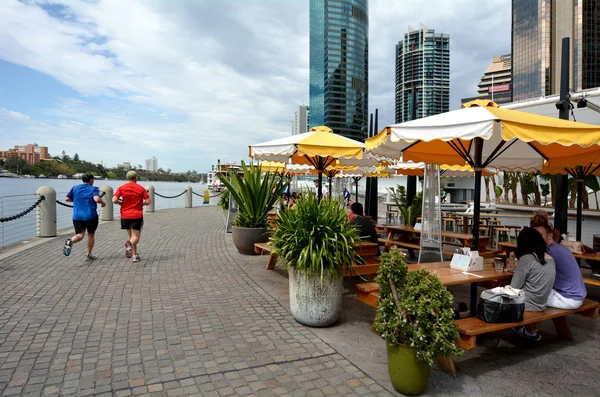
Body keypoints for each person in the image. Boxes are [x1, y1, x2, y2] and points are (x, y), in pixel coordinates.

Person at [530, 217, 587, 310]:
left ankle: (523, 323)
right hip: (577, 295)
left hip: (567, 298)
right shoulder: (562, 247)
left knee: (523, 294)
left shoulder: (549, 253)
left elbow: (536, 275)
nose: (536, 238)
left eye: (540, 235)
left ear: (550, 236)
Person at [511, 227, 556, 341]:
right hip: (541, 303)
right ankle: (531, 330)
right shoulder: (550, 258)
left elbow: (514, 287)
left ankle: (467, 316)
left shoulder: (527, 258)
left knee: (490, 294)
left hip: (526, 305)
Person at [63, 172, 106, 260]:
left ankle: (71, 241)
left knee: (79, 235)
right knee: (91, 235)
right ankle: (89, 254)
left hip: (77, 216)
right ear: (91, 180)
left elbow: (67, 199)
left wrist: (78, 200)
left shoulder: (75, 188)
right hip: (91, 216)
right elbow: (97, 199)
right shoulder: (94, 189)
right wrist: (103, 203)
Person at [113, 171, 151, 263]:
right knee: (136, 237)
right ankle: (129, 245)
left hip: (125, 215)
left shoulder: (121, 188)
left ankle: (134, 256)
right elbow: (148, 201)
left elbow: (114, 200)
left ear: (127, 178)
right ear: (136, 178)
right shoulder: (141, 189)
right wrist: (141, 203)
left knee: (131, 236)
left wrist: (121, 203)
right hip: (136, 215)